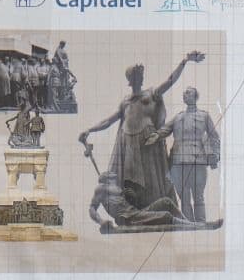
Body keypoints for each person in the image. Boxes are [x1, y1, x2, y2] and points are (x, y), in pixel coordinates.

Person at [78, 51, 204, 209]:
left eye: (141, 74)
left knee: (151, 178)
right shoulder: (125, 101)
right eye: (137, 75)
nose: (140, 77)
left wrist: (184, 61)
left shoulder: (151, 93)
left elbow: (170, 81)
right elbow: (108, 121)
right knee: (130, 178)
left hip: (147, 139)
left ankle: (152, 210)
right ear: (131, 79)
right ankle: (135, 211)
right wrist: (89, 130)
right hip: (127, 141)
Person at [145, 86, 220, 222]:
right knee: (184, 196)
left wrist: (215, 154)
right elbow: (164, 130)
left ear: (195, 97)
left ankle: (201, 223)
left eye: (188, 92)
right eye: (184, 93)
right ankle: (188, 223)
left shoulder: (204, 116)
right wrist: (154, 136)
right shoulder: (178, 117)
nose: (184, 94)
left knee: (198, 196)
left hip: (197, 161)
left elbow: (214, 137)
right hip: (178, 162)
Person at [89, 171, 203, 231]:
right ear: (106, 177)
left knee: (166, 201)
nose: (113, 172)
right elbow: (92, 208)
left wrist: (132, 196)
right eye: (109, 172)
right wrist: (101, 221)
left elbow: (130, 205)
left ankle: (189, 223)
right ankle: (194, 226)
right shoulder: (101, 187)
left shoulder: (118, 188)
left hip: (136, 213)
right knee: (166, 215)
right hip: (127, 218)